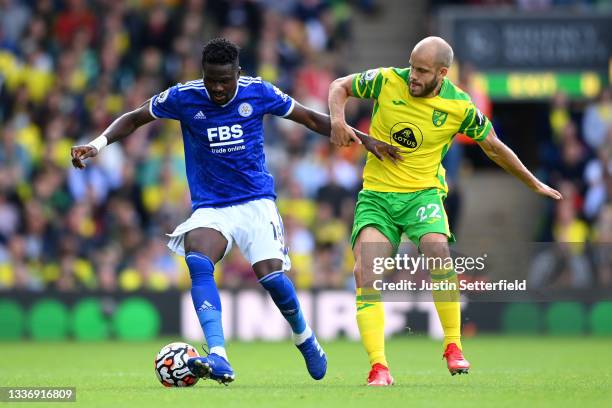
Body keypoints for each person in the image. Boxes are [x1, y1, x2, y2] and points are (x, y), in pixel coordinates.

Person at [71, 37, 399, 385]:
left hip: (256, 202)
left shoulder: (257, 91)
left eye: (225, 80)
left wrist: (364, 140)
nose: (217, 88)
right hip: (211, 207)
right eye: (211, 79)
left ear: (238, 73)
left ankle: (304, 337)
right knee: (197, 257)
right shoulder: (184, 96)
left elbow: (309, 119)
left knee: (272, 278)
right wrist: (96, 144)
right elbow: (135, 117)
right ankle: (218, 355)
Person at [328, 36, 562, 385]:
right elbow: (339, 86)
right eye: (412, 67)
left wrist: (532, 183)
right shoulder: (386, 79)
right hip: (377, 196)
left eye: (422, 71)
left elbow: (494, 147)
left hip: (422, 195)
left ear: (442, 72)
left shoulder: (459, 106)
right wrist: (337, 120)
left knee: (438, 250)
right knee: (365, 271)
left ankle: (453, 346)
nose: (413, 77)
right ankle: (379, 367)